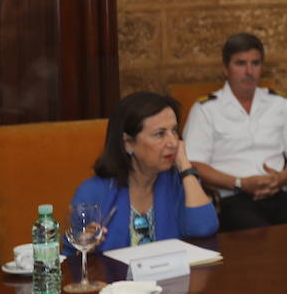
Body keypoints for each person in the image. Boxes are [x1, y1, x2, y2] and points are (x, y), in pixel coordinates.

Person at [184, 33, 287, 230]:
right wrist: (240, 183)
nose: (249, 71)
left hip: (277, 193)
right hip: (232, 199)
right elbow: (194, 163)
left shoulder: (277, 102)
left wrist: (281, 178)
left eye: (256, 63)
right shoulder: (206, 109)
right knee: (255, 231)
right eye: (241, 63)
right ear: (226, 69)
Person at [68, 91, 218, 252]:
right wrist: (86, 245)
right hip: (115, 277)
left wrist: (186, 168)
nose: (174, 142)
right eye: (160, 134)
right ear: (128, 144)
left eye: (174, 131)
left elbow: (204, 227)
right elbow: (72, 254)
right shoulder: (93, 192)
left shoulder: (178, 183)